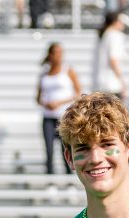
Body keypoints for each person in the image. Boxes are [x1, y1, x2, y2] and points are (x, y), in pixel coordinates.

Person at [38, 42, 81, 175]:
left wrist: (60, 102)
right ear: (50, 55)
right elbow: (38, 97)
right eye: (56, 52)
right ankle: (50, 181)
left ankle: (69, 181)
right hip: (48, 117)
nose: (58, 56)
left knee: (66, 151)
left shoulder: (68, 70)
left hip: (64, 118)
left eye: (60, 52)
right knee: (49, 151)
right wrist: (47, 103)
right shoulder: (44, 73)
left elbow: (78, 93)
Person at [94, 13, 127, 99]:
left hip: (101, 84)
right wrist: (122, 83)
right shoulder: (115, 35)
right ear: (115, 22)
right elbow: (113, 61)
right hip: (112, 85)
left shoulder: (104, 35)